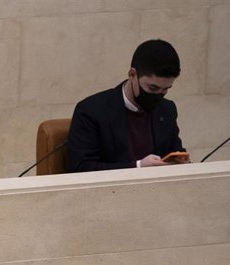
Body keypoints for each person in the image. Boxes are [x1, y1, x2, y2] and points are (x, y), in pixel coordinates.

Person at [67, 39, 187, 172]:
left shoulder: (167, 109)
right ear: (132, 75)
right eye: (153, 88)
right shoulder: (91, 111)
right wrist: (138, 166)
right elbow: (82, 168)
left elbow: (175, 153)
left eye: (165, 89)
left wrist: (181, 162)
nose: (158, 95)